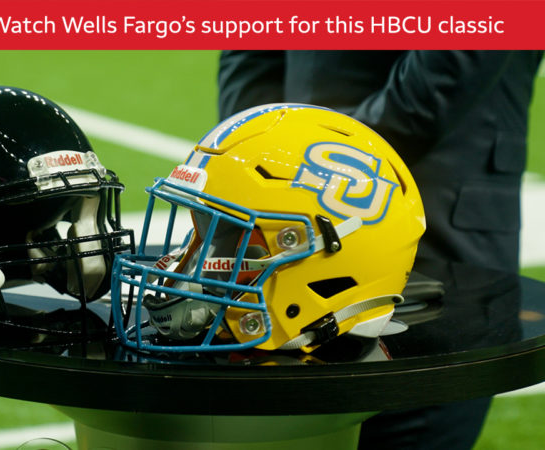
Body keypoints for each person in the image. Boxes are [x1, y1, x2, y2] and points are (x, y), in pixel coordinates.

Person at [217, 50, 543, 449]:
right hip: (281, 226)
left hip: (440, 224)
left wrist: (309, 169)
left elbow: (461, 54)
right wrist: (252, 154)